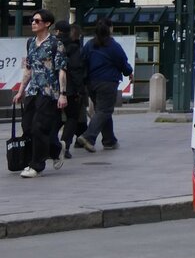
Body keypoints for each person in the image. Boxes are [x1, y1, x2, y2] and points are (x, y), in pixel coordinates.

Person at [13, 9, 67, 177]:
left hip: (49, 92)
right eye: (32, 21)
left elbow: (62, 70)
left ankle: (36, 165)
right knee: (28, 127)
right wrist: (21, 90)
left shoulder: (55, 44)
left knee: (39, 127)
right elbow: (29, 68)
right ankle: (56, 149)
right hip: (32, 91)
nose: (33, 23)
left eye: (37, 21)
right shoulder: (30, 42)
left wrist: (63, 94)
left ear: (47, 24)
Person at [77, 19, 132, 153]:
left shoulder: (89, 45)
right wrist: (129, 72)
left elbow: (82, 62)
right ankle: (88, 137)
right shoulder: (114, 46)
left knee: (102, 110)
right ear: (110, 29)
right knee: (104, 111)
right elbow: (122, 63)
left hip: (91, 83)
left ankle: (109, 140)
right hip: (108, 82)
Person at [54, 20, 89, 159]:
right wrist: (80, 89)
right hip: (69, 89)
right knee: (72, 117)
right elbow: (75, 70)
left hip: (52, 88)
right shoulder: (73, 48)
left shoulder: (51, 44)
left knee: (55, 118)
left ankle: (50, 145)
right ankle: (65, 145)